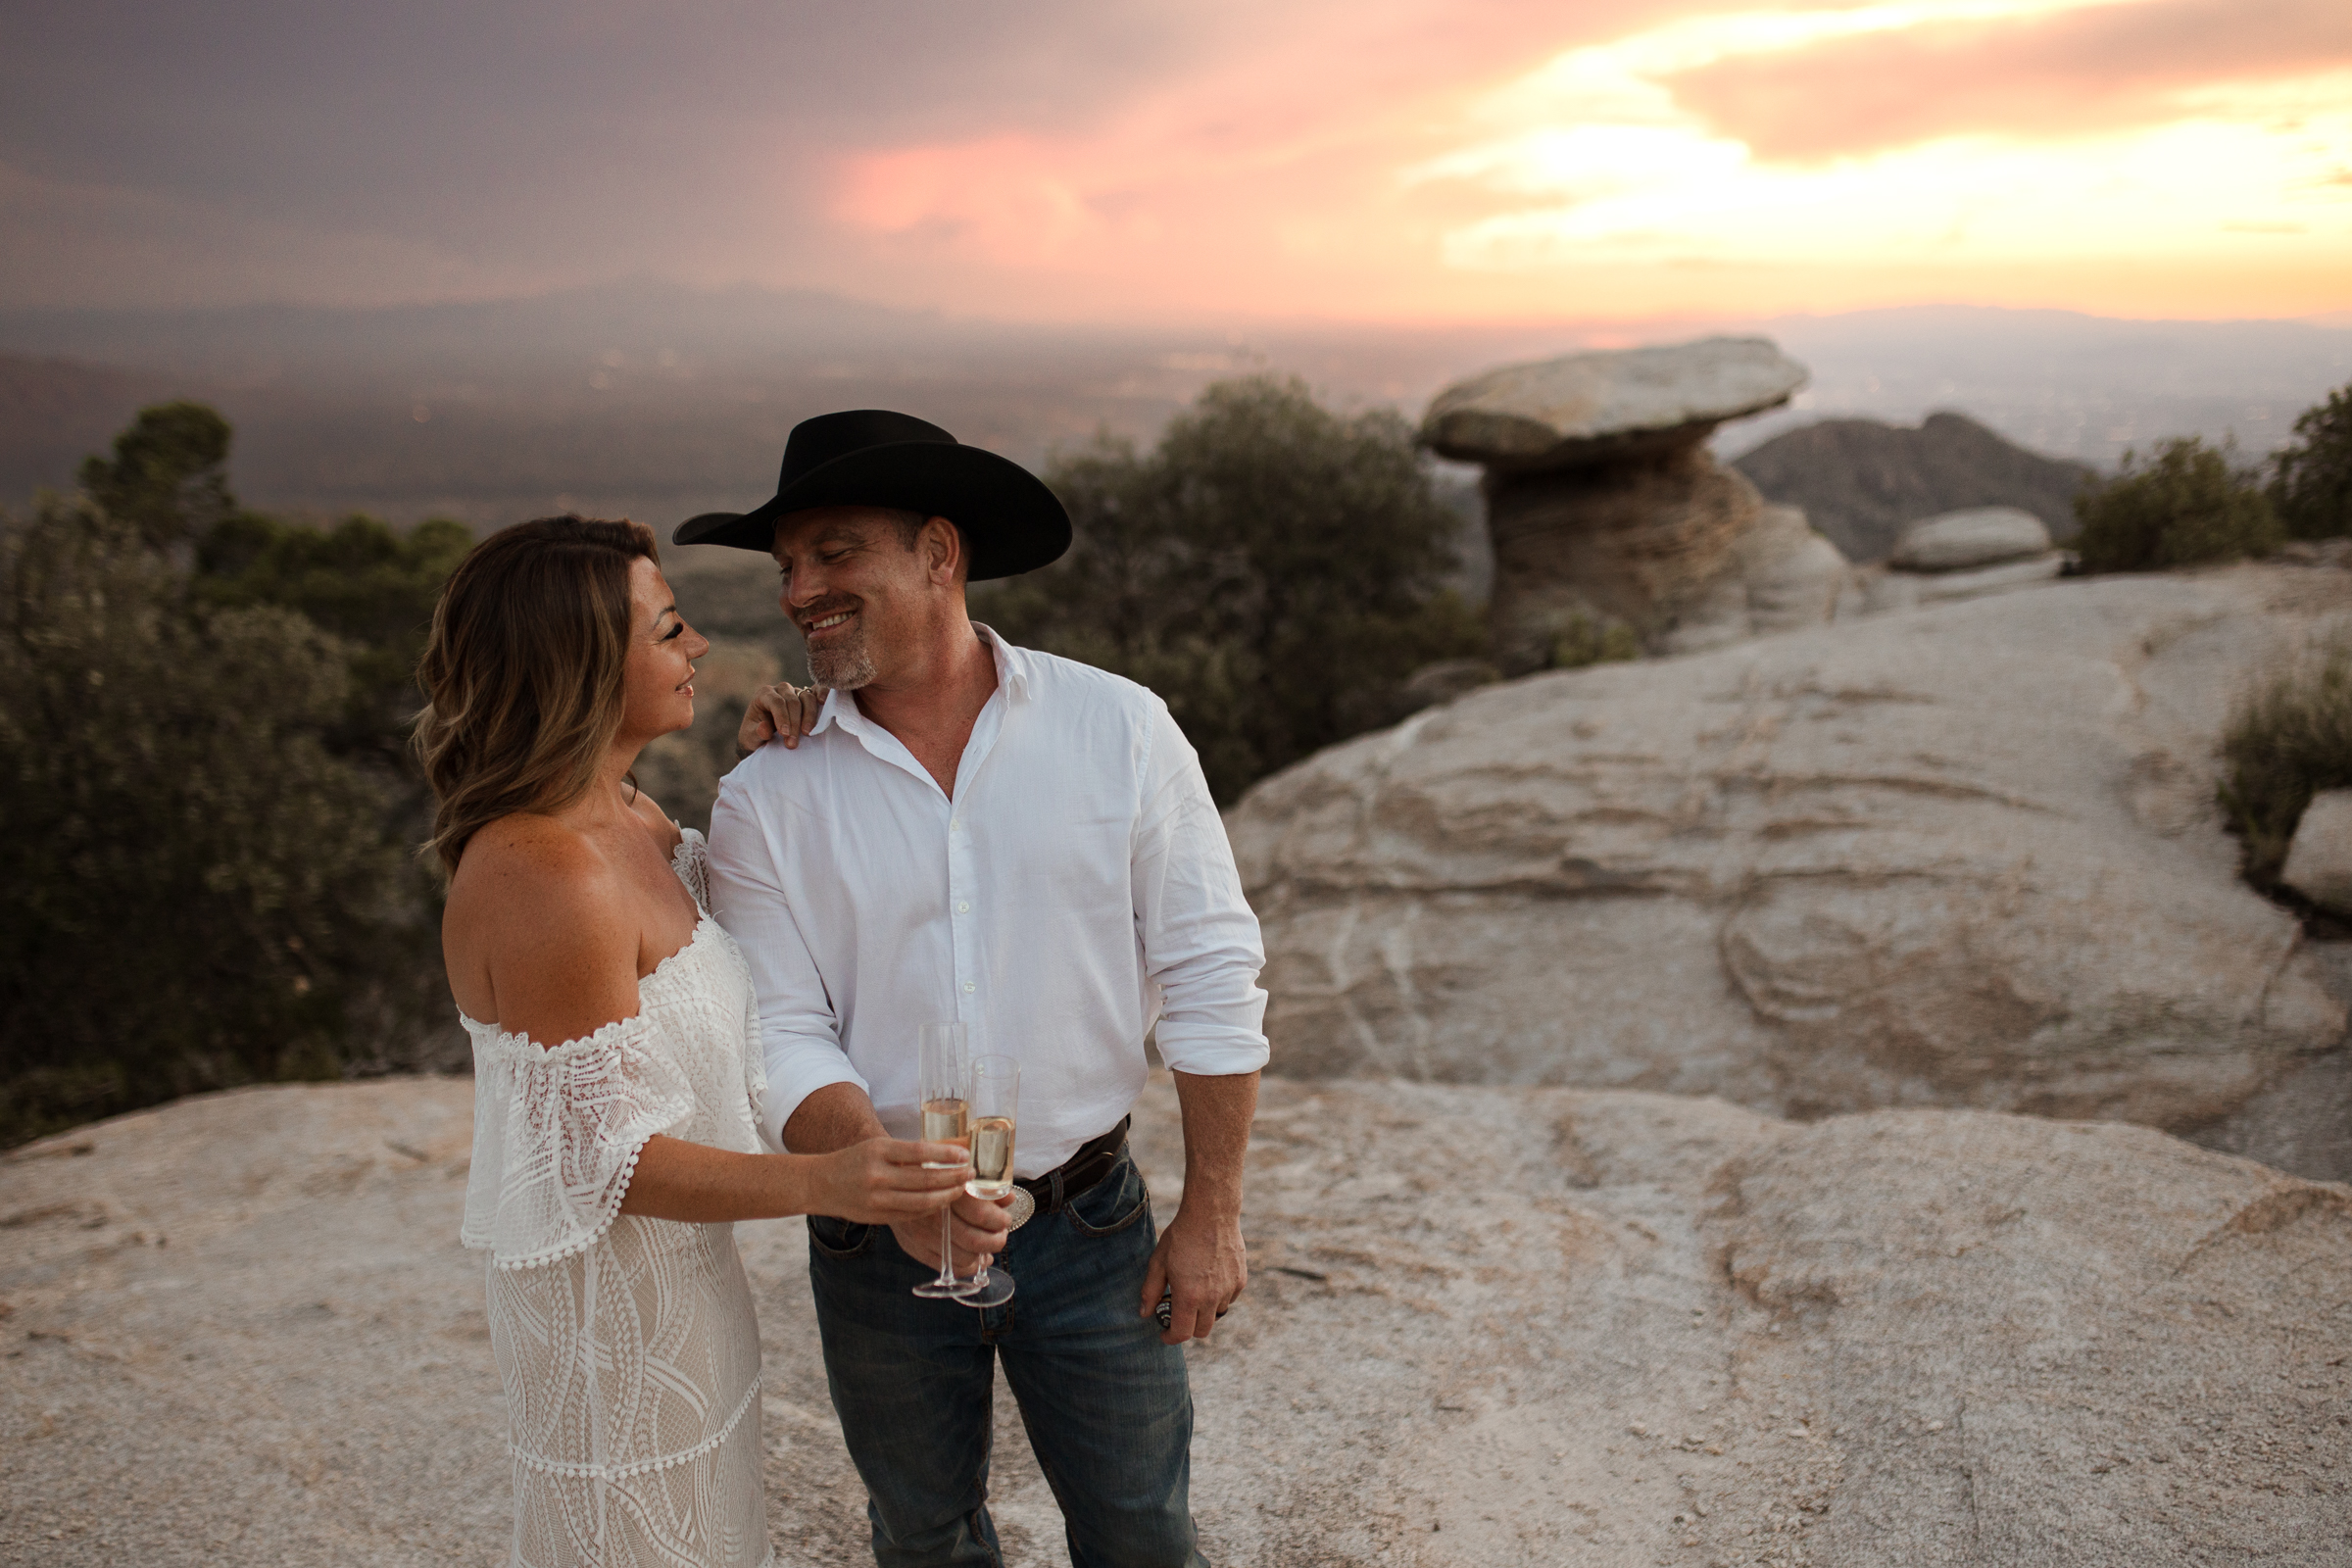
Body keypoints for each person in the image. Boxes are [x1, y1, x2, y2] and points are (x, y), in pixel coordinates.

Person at [681, 410, 1269, 1568]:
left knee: (1143, 1534)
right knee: (922, 1533)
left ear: (939, 554)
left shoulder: (1120, 729)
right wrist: (891, 1189)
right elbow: (783, 1028)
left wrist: (1213, 1214)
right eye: (788, 564)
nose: (799, 589)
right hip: (871, 1246)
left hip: (1090, 1223)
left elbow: (1211, 971)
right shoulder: (767, 797)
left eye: (835, 552)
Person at [416, 514, 972, 1568]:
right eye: (668, 629)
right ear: (577, 665)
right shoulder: (546, 874)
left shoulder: (628, 817)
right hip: (609, 1325)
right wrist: (836, 1180)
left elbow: (728, 943)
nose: (699, 648)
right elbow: (606, 1162)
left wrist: (772, 771)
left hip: (685, 1290)